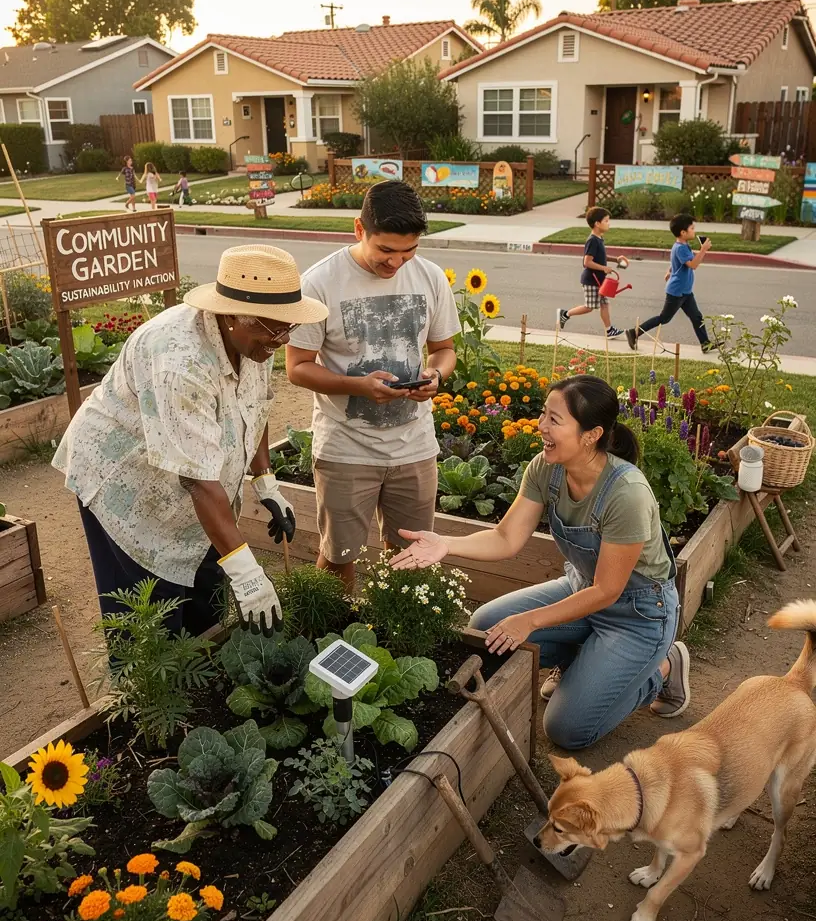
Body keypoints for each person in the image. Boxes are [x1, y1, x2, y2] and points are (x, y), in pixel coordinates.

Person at [391, 375, 689, 751]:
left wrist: (529, 620)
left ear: (591, 434)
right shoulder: (546, 469)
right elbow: (505, 538)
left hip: (637, 616)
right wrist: (446, 545)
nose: (541, 426)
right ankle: (583, 660)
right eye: (543, 414)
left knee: (566, 730)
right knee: (487, 629)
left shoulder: (626, 494)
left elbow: (608, 590)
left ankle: (663, 669)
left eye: (555, 419)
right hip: (582, 590)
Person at [52, 244, 327, 635]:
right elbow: (197, 480)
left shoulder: (254, 342)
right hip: (130, 489)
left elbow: (255, 408)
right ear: (231, 314)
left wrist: (266, 482)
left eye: (290, 326)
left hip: (196, 491)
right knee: (151, 613)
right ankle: (146, 692)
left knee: (206, 596)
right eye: (274, 327)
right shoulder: (180, 361)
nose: (283, 338)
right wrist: (249, 575)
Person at [286, 179, 459, 589]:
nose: (397, 263)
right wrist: (358, 386)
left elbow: (444, 349)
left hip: (414, 446)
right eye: (386, 250)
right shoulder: (320, 282)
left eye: (409, 251)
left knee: (412, 558)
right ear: (359, 230)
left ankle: (391, 639)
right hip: (346, 448)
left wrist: (435, 375)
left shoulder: (431, 277)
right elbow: (297, 367)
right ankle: (333, 638)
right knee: (338, 559)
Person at [626, 213, 714, 352]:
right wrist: (703, 250)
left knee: (697, 317)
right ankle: (634, 332)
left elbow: (678, 262)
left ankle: (705, 344)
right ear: (683, 232)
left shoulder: (683, 245)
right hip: (677, 291)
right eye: (692, 228)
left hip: (685, 291)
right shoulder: (680, 248)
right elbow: (693, 265)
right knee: (664, 318)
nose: (694, 231)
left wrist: (670, 270)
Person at [557, 206, 628, 339]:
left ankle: (609, 330)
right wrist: (603, 268)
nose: (609, 223)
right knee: (589, 307)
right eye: (606, 221)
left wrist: (615, 259)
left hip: (599, 280)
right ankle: (565, 314)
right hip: (591, 280)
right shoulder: (592, 240)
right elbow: (587, 262)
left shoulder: (599, 238)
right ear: (597, 223)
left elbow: (600, 257)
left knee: (604, 304)